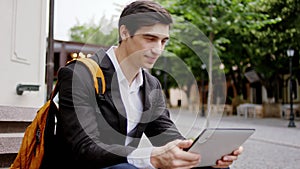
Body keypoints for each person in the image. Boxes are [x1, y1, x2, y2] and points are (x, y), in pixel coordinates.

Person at [42, 1, 243, 169]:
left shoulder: (150, 85)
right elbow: (84, 148)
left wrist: (201, 156)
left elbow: (168, 138)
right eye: (150, 38)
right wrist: (152, 157)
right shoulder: (80, 74)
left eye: (164, 41)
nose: (158, 49)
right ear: (124, 32)